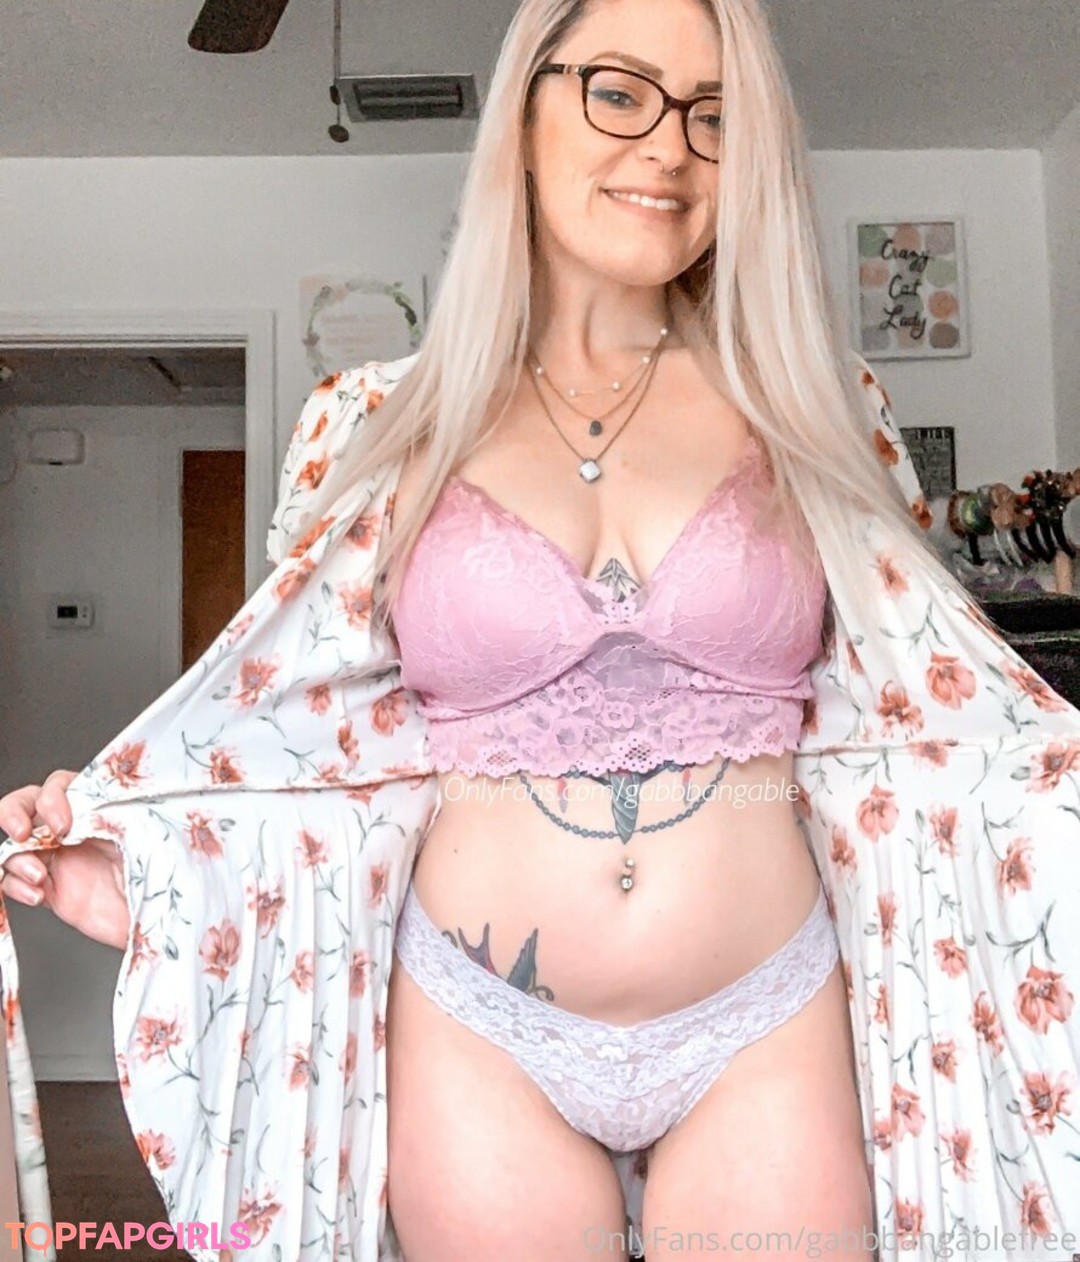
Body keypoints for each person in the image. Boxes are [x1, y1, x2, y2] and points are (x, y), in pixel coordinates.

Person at [3, 0, 1080, 1259]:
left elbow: (932, 724)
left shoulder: (822, 409)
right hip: (480, 1030)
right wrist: (154, 859)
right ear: (523, 111)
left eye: (716, 114)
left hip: (765, 1016)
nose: (668, 146)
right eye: (619, 91)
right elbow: (314, 740)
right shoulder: (374, 425)